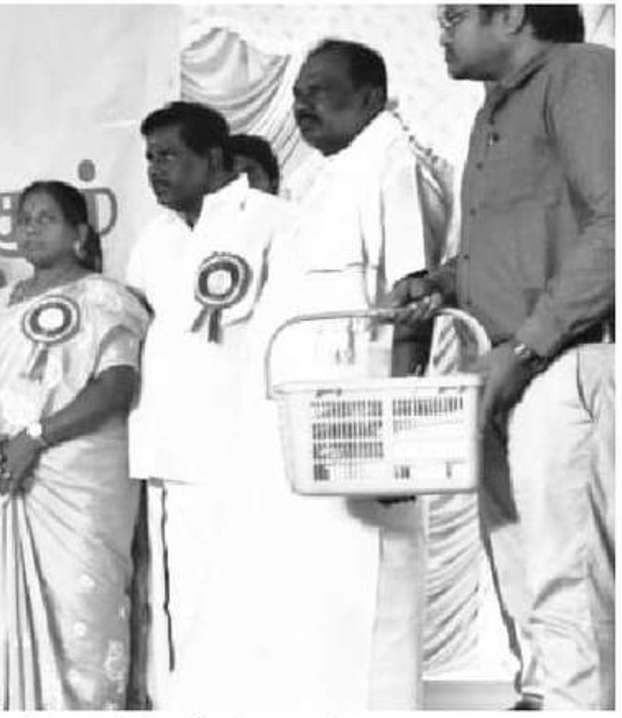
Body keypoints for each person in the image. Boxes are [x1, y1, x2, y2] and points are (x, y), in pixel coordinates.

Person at [169, 40, 453, 710]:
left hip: (358, 435)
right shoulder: (325, 176)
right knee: (303, 605)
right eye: (297, 93)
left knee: (363, 600)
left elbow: (413, 299)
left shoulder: (394, 163)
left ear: (370, 97)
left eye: (318, 91)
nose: (301, 105)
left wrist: (395, 444)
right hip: (295, 436)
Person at [389, 5, 613, 709]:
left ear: (513, 14)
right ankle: (544, 698)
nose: (441, 30)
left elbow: (616, 225)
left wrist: (527, 344)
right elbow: (518, 248)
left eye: (454, 14)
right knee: (520, 569)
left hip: (567, 358)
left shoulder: (580, 74)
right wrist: (440, 283)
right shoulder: (492, 110)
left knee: (566, 574)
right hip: (505, 368)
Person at [122, 101, 295, 709]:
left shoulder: (273, 221)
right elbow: (137, 325)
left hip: (252, 448)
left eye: (169, 155)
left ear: (214, 157)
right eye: (150, 157)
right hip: (173, 448)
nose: (155, 169)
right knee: (182, 598)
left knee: (256, 593)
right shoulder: (155, 237)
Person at [0, 181, 148, 709]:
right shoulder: (0, 304)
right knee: (10, 617)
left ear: (79, 232)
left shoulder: (106, 298)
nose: (32, 229)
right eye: (24, 219)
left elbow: (117, 385)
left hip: (78, 485)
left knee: (82, 614)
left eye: (47, 219)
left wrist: (36, 439)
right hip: (3, 478)